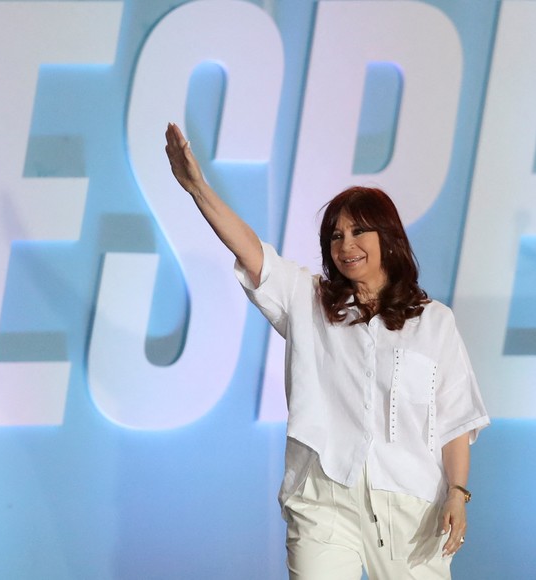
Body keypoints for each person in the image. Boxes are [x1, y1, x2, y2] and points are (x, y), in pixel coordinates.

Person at [165, 122, 489, 580]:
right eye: (335, 236)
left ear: (388, 238)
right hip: (323, 496)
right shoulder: (311, 301)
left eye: (359, 232)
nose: (346, 245)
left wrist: (457, 492)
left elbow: (456, 419)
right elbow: (254, 254)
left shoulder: (434, 321)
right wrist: (199, 190)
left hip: (410, 509)